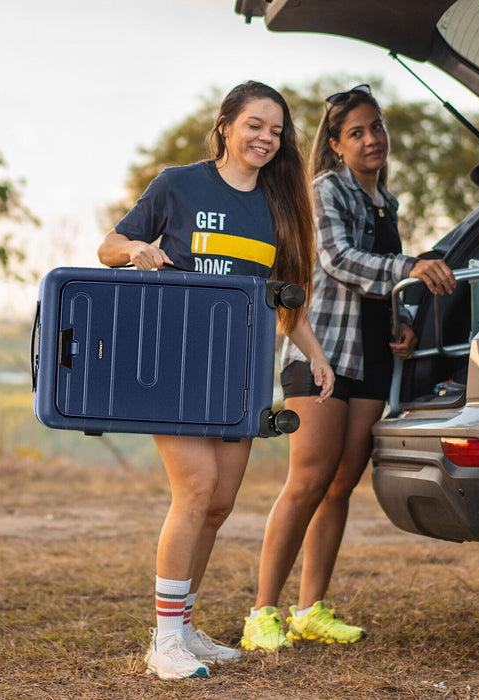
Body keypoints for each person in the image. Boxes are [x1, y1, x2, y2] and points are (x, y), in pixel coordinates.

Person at [97, 80, 334, 680]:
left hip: (241, 373)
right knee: (197, 488)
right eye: (255, 124)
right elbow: (107, 246)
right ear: (226, 124)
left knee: (220, 504)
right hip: (173, 365)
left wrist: (315, 354)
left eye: (277, 131)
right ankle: (164, 642)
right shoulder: (178, 184)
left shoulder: (279, 204)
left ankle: (186, 627)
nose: (266, 138)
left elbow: (285, 300)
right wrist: (135, 252)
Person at [240, 84, 457, 652]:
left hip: (372, 356)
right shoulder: (325, 190)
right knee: (308, 480)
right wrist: (411, 266)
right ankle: (261, 613)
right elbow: (336, 260)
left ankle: (309, 609)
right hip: (320, 354)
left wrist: (400, 319)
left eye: (377, 128)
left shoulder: (387, 201)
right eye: (357, 132)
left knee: (340, 485)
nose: (372, 139)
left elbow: (380, 283)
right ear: (335, 145)